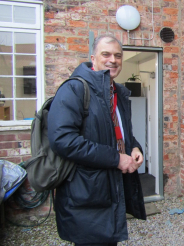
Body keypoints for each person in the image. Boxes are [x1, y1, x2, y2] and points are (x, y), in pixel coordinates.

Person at [48, 34, 146, 246]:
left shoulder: (117, 91)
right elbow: (62, 140)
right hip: (86, 193)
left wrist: (135, 147)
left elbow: (121, 131)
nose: (113, 60)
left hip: (112, 188)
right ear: (93, 58)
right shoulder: (74, 89)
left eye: (118, 55)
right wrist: (116, 159)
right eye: (106, 54)